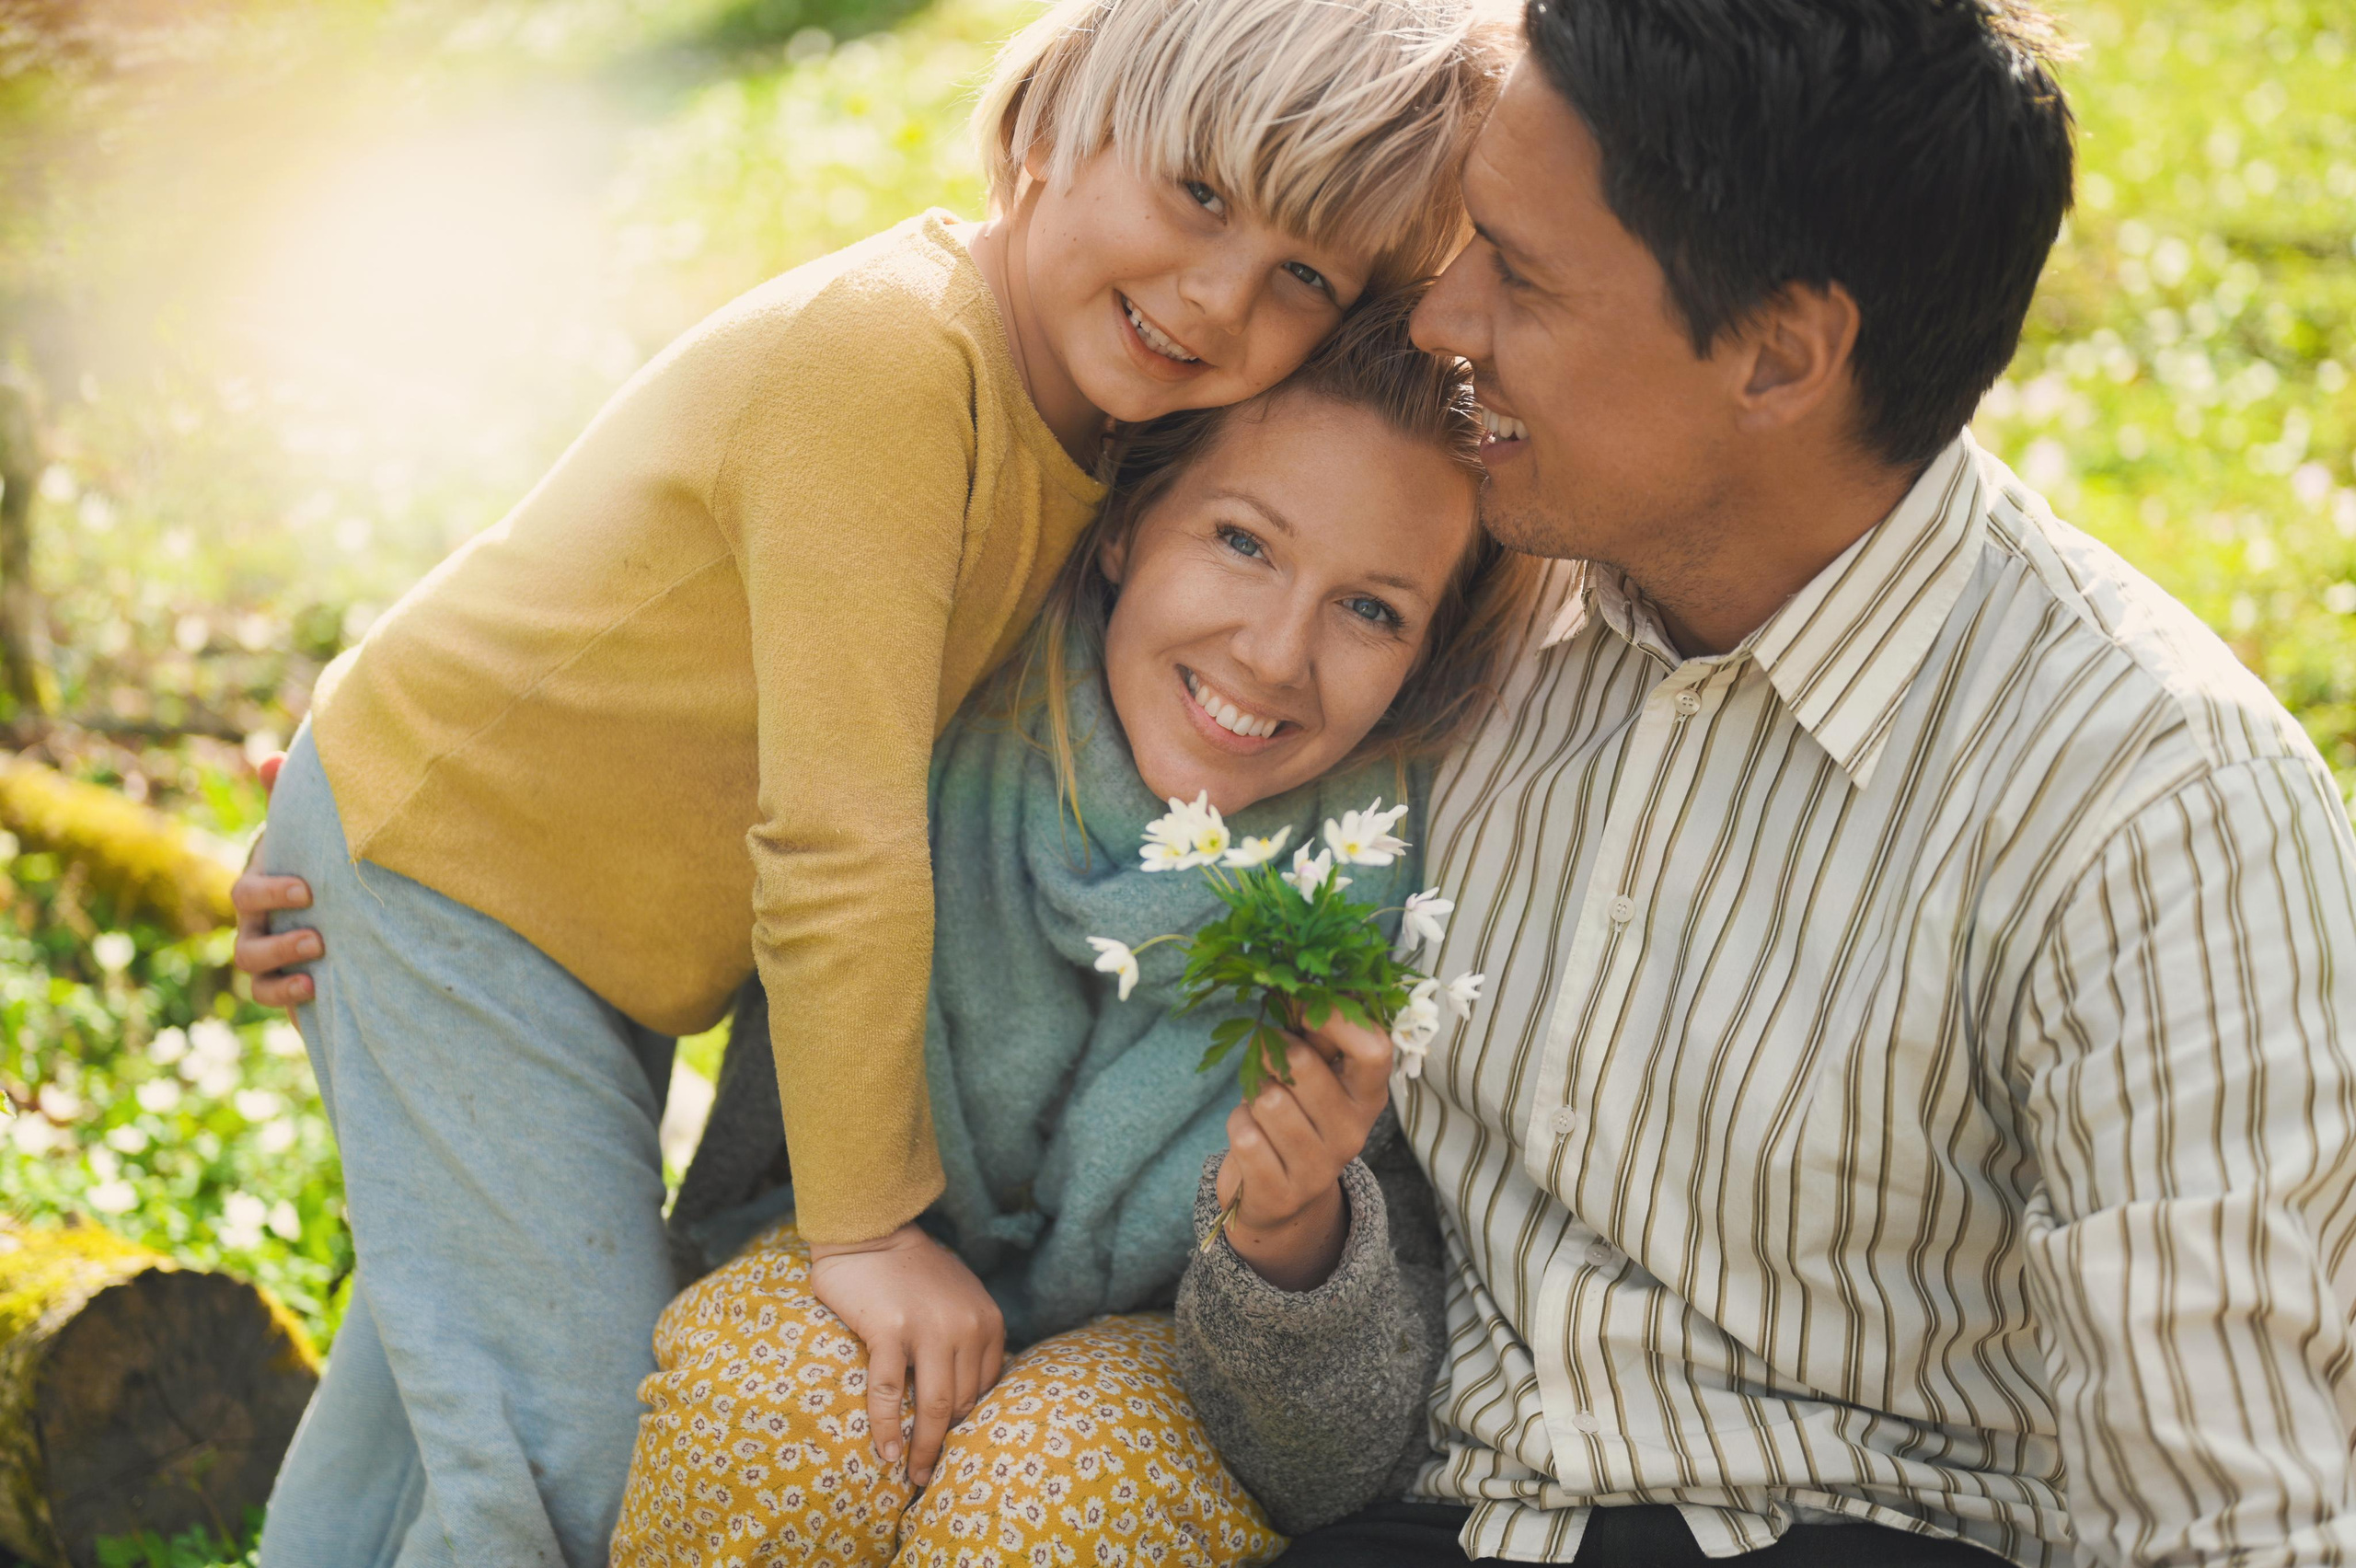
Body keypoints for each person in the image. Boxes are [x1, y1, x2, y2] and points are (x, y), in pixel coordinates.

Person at [225, 4, 1504, 1559]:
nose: (1216, 293)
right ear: (1053, 119)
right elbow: (838, 835)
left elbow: (634, 569)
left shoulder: (1094, 421)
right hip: (466, 880)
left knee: (432, 1383)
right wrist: (869, 1231)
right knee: (556, 1434)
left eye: (1303, 274)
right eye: (1198, 195)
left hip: (533, 883)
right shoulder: (897, 361)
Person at [1170, 1, 2356, 1564]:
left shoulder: (2155, 809)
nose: (1445, 317)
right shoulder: (1472, 627)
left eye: (1519, 275)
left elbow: (2224, 1521)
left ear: (1781, 357)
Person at [609, 295, 1538, 1567]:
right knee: (777, 1419)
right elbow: (638, 792)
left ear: (1426, 653)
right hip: (848, 1232)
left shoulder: (1403, 887)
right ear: (1126, 529)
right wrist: (352, 866)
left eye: (1371, 610)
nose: (1273, 654)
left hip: (1175, 1375)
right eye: (1242, 542)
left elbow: (1340, 1456)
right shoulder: (943, 684)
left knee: (1050, 1501)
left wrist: (1292, 1241)